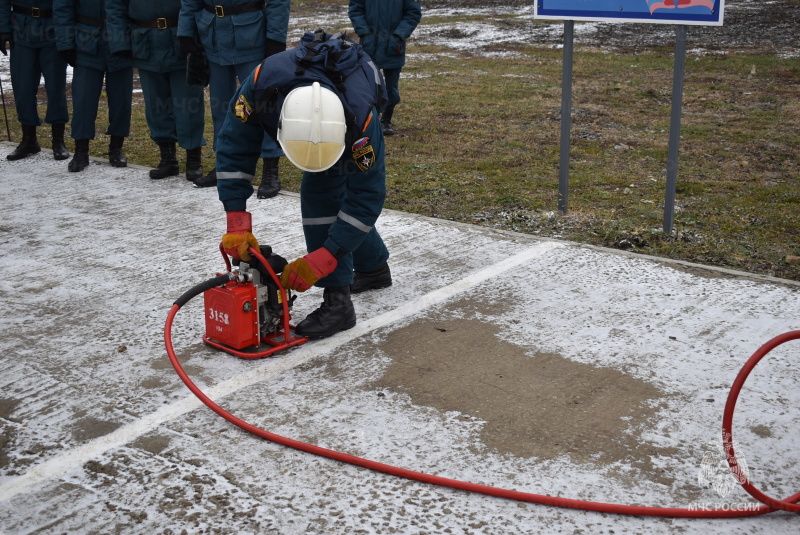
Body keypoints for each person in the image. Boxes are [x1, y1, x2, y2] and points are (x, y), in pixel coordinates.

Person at [217, 30, 393, 339]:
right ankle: (374, 268)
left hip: (351, 109)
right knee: (328, 194)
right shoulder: (260, 85)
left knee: (321, 193)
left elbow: (367, 197)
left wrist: (324, 258)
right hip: (297, 102)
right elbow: (234, 150)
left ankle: (339, 304)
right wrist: (236, 222)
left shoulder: (363, 121)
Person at [177, 0, 289, 197]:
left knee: (264, 106)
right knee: (221, 109)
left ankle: (270, 169)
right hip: (213, 39)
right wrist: (186, 33)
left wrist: (275, 38)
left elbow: (278, 2)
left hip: (252, 37)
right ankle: (224, 168)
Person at [106, 0, 206, 180]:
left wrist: (191, 36)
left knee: (188, 105)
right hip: (145, 42)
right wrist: (120, 42)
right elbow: (115, 7)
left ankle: (193, 160)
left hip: (182, 40)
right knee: (155, 105)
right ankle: (167, 159)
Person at [53, 0, 133, 172]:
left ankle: (116, 147)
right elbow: (63, 8)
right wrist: (65, 43)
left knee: (122, 101)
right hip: (86, 41)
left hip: (121, 41)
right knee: (83, 100)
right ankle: (81, 150)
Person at [0, 0, 69, 161]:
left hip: (52, 28)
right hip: (21, 29)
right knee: (22, 87)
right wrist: (3, 28)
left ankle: (58, 141)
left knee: (55, 87)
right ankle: (29, 140)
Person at [348, 0, 421, 136]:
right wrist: (365, 32)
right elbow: (355, 9)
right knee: (367, 85)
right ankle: (369, 120)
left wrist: (399, 35)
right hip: (370, 45)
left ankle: (386, 120)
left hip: (393, 46)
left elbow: (413, 13)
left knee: (391, 87)